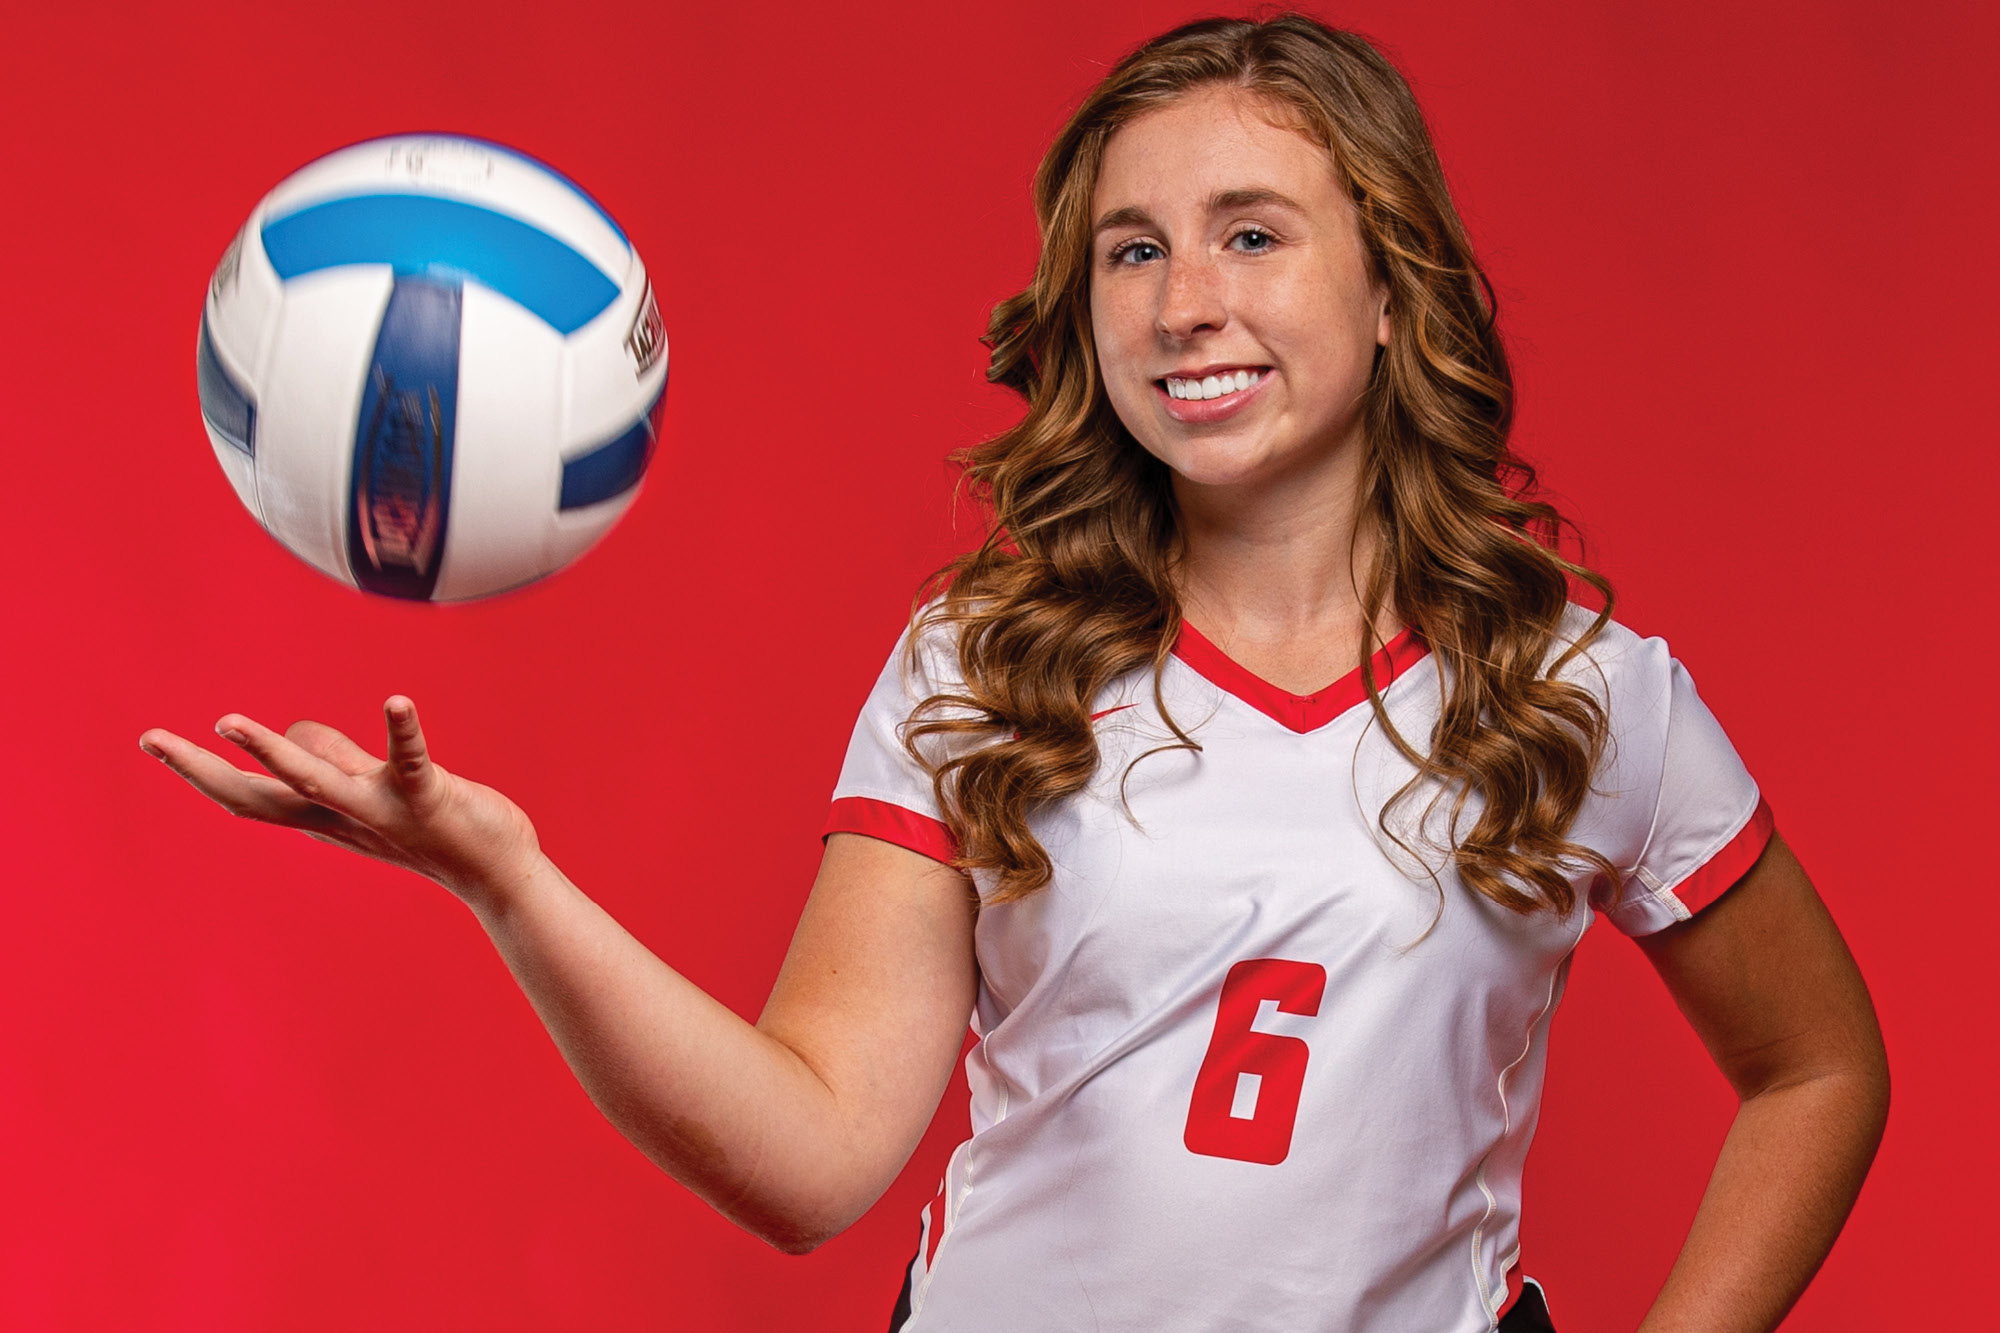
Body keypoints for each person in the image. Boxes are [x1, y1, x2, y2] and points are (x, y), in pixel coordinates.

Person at [140, 14, 1888, 1332]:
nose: (1186, 297)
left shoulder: (1579, 694)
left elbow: (1817, 1070)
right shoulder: (985, 662)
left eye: (1254, 232)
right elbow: (811, 1157)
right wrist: (503, 877)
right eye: (1134, 248)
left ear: (1390, 288)